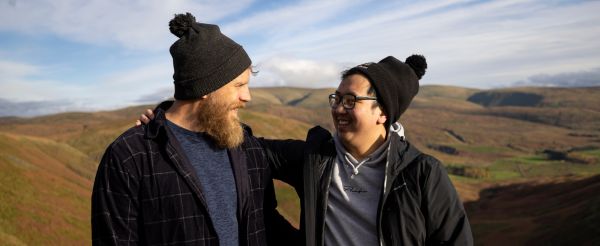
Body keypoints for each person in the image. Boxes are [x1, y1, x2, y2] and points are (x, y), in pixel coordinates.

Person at [139, 55, 473, 245]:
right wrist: (176, 120)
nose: (339, 109)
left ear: (383, 112)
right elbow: (247, 147)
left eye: (351, 101)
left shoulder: (421, 174)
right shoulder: (316, 159)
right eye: (337, 98)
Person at [91, 12, 296, 246]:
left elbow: (266, 222)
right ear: (205, 87)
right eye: (239, 85)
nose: (247, 97)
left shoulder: (245, 145)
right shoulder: (129, 156)